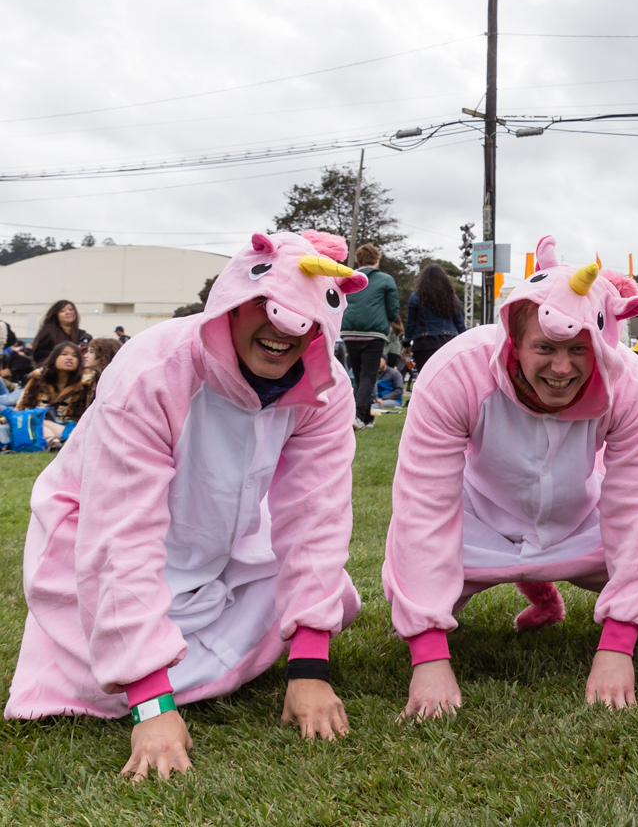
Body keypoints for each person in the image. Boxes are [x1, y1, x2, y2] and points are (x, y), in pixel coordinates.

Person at [5, 230, 367, 778]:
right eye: (263, 309)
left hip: (221, 549)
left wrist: (309, 665)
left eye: (303, 319)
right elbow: (120, 532)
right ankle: (150, 663)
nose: (283, 329)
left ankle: (219, 646)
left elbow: (316, 516)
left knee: (329, 593)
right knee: (96, 680)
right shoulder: (153, 368)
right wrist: (150, 701)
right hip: (96, 550)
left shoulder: (328, 388)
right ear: (229, 303)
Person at [384, 237, 638, 717]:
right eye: (545, 347)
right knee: (409, 568)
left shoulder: (630, 386)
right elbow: (423, 508)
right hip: (476, 526)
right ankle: (427, 615)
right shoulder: (457, 372)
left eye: (579, 349)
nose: (563, 368)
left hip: (578, 524)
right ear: (514, 339)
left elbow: (637, 509)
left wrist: (618, 643)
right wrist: (428, 653)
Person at [341, 244, 400, 431]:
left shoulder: (347, 277)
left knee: (359, 376)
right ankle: (357, 415)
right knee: (368, 376)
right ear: (377, 259)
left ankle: (366, 418)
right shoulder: (386, 280)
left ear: (358, 260)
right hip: (373, 333)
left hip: (349, 332)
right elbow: (392, 310)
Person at [19, 341, 88, 448]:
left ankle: (55, 442)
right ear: (54, 358)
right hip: (36, 425)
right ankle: (55, 442)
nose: (70, 358)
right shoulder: (38, 379)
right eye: (64, 354)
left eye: (75, 356)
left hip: (73, 427)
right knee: (39, 421)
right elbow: (22, 405)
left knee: (41, 422)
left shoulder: (85, 384)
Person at [407, 264, 466, 374]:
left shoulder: (415, 298)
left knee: (425, 378)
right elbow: (460, 324)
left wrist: (405, 345)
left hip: (423, 344)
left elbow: (410, 324)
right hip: (448, 342)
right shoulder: (453, 298)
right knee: (446, 377)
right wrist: (466, 343)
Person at [32, 300, 92, 366]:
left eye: (71, 309)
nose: (68, 312)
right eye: (62, 311)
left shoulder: (84, 336)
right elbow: (39, 355)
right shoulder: (48, 333)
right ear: (56, 315)